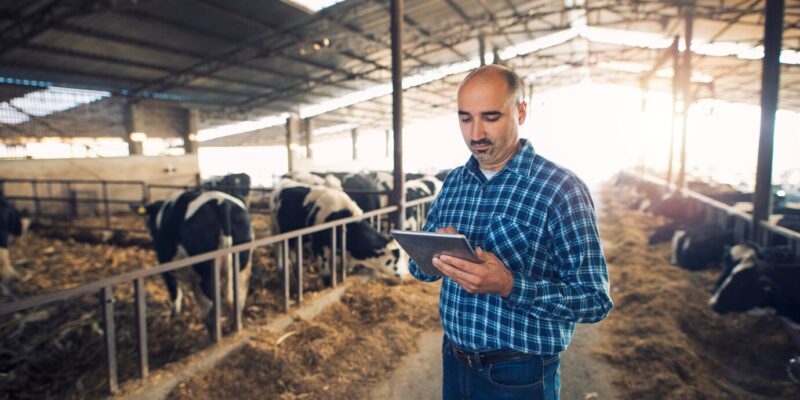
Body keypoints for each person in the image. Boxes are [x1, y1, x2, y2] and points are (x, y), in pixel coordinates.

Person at [409, 64, 613, 400]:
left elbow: (594, 301)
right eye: (465, 118)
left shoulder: (560, 189)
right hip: (455, 360)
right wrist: (431, 255)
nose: (476, 134)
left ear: (520, 112)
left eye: (491, 117)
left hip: (519, 375)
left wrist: (509, 285)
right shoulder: (454, 183)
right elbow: (421, 272)